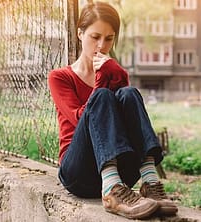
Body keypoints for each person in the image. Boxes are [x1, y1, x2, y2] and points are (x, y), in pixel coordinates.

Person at [48, 2, 178, 220]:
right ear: (80, 34)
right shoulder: (60, 77)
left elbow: (127, 120)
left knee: (129, 93)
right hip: (77, 172)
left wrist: (117, 74)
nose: (101, 46)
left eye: (109, 39)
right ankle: (110, 193)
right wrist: (103, 77)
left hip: (121, 173)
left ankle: (150, 182)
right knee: (102, 96)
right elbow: (81, 118)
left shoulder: (113, 72)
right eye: (95, 36)